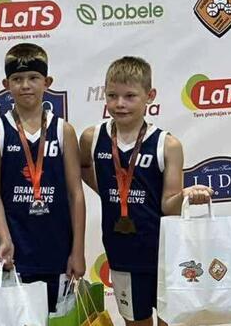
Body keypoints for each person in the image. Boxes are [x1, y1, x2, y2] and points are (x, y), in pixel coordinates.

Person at [79, 56, 213, 326]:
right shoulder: (92, 137)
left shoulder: (167, 144)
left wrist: (188, 196)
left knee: (168, 322)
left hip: (164, 254)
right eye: (112, 95)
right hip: (121, 253)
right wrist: (109, 192)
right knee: (135, 323)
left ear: (149, 96)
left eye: (130, 96)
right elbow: (83, 167)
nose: (120, 103)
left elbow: (168, 205)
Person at [0, 43, 86, 313]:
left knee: (57, 318)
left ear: (47, 82)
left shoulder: (63, 130)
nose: (25, 85)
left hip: (58, 249)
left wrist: (78, 250)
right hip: (16, 250)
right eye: (17, 79)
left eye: (33, 78)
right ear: (6, 84)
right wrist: (4, 238)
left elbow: (75, 193)